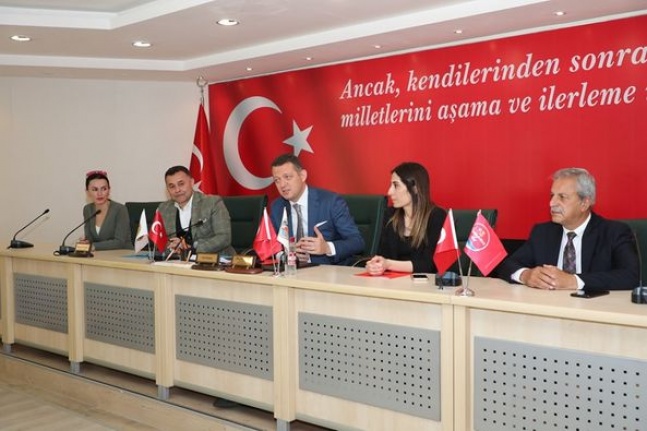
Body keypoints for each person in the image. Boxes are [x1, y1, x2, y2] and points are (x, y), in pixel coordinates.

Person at [498, 167, 639, 291]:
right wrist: (526, 275)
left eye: (562, 197)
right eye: (552, 196)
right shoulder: (543, 233)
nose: (552, 203)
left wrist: (573, 281)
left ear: (584, 203)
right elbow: (508, 265)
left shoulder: (614, 232)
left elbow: (631, 276)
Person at [269, 154, 364, 265]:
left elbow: (357, 242)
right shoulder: (277, 207)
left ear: (302, 176)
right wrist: (287, 255)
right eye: (277, 180)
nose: (282, 185)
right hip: (293, 271)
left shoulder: (331, 202)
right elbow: (269, 246)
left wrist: (327, 247)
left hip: (327, 270)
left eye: (288, 177)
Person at [365, 162, 446, 275]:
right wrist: (375, 265)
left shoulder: (436, 216)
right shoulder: (390, 214)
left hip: (423, 284)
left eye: (396, 185)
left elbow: (429, 265)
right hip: (391, 282)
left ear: (415, 188)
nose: (389, 192)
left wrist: (388, 264)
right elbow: (382, 255)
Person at [157, 166, 235, 256]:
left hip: (214, 259)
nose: (177, 190)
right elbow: (159, 239)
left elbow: (224, 237)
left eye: (181, 184)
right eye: (172, 186)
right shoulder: (163, 209)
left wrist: (193, 248)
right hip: (177, 260)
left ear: (192, 182)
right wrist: (171, 246)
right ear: (167, 189)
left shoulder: (212, 203)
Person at [82, 170, 132, 250]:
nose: (99, 193)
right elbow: (89, 239)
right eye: (95, 189)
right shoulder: (87, 209)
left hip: (122, 254)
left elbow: (119, 242)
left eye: (104, 189)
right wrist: (85, 242)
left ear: (109, 190)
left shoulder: (120, 209)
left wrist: (93, 246)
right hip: (100, 255)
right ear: (87, 192)